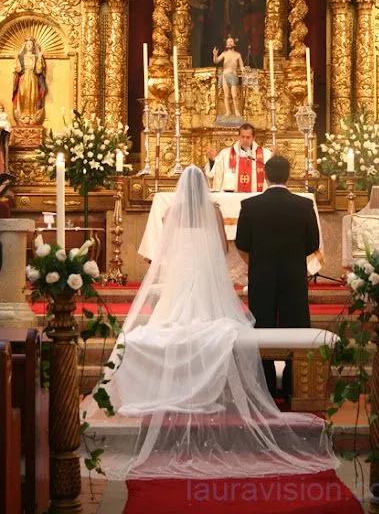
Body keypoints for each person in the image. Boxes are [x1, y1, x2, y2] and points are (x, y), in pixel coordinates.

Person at [82, 165, 337, 484]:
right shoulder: (273, 207)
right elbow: (225, 248)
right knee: (275, 327)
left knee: (200, 327)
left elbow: (177, 251)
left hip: (185, 286)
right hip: (271, 281)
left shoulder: (180, 211)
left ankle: (263, 385)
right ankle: (286, 388)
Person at [235, 156, 320, 398]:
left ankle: (266, 386)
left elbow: (242, 243)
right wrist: (291, 258)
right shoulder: (303, 206)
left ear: (265, 175)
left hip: (261, 275)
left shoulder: (250, 205)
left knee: (261, 328)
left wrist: (261, 261)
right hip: (293, 275)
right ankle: (296, 385)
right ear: (289, 175)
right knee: (297, 326)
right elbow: (313, 242)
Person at [204, 122, 272, 192]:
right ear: (238, 137)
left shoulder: (265, 154)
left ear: (253, 138)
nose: (245, 140)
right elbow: (213, 174)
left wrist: (276, 159)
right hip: (232, 199)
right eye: (242, 137)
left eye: (248, 137)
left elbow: (272, 176)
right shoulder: (225, 154)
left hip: (256, 198)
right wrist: (212, 160)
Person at [12, 38, 47, 125]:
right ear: (25, 46)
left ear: (33, 46)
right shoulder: (21, 57)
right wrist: (16, 58)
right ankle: (23, 115)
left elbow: (39, 71)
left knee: (33, 97)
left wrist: (39, 58)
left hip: (33, 79)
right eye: (27, 44)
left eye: (31, 44)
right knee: (22, 95)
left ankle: (32, 115)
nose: (29, 46)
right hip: (23, 80)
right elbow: (18, 69)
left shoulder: (36, 57)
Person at [213, 37, 244, 117]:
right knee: (226, 95)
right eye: (228, 42)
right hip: (225, 76)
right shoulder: (224, 53)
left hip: (233, 75)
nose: (229, 43)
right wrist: (215, 55)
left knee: (234, 95)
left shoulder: (237, 55)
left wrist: (244, 70)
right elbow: (216, 61)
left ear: (234, 43)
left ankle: (237, 110)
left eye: (231, 41)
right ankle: (228, 111)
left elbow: (241, 66)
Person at [240, 0, 265, 68]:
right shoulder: (247, 3)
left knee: (256, 43)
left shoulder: (259, 3)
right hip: (249, 23)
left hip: (256, 24)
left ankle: (256, 62)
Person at [190, 0, 213, 67]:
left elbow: (210, 15)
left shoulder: (208, 1)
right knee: (196, 48)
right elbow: (193, 7)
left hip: (205, 30)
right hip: (197, 29)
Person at [0, 104, 11, 174]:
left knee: (5, 150)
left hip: (3, 141)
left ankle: (5, 170)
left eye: (1, 108)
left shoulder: (4, 116)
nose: (0, 110)